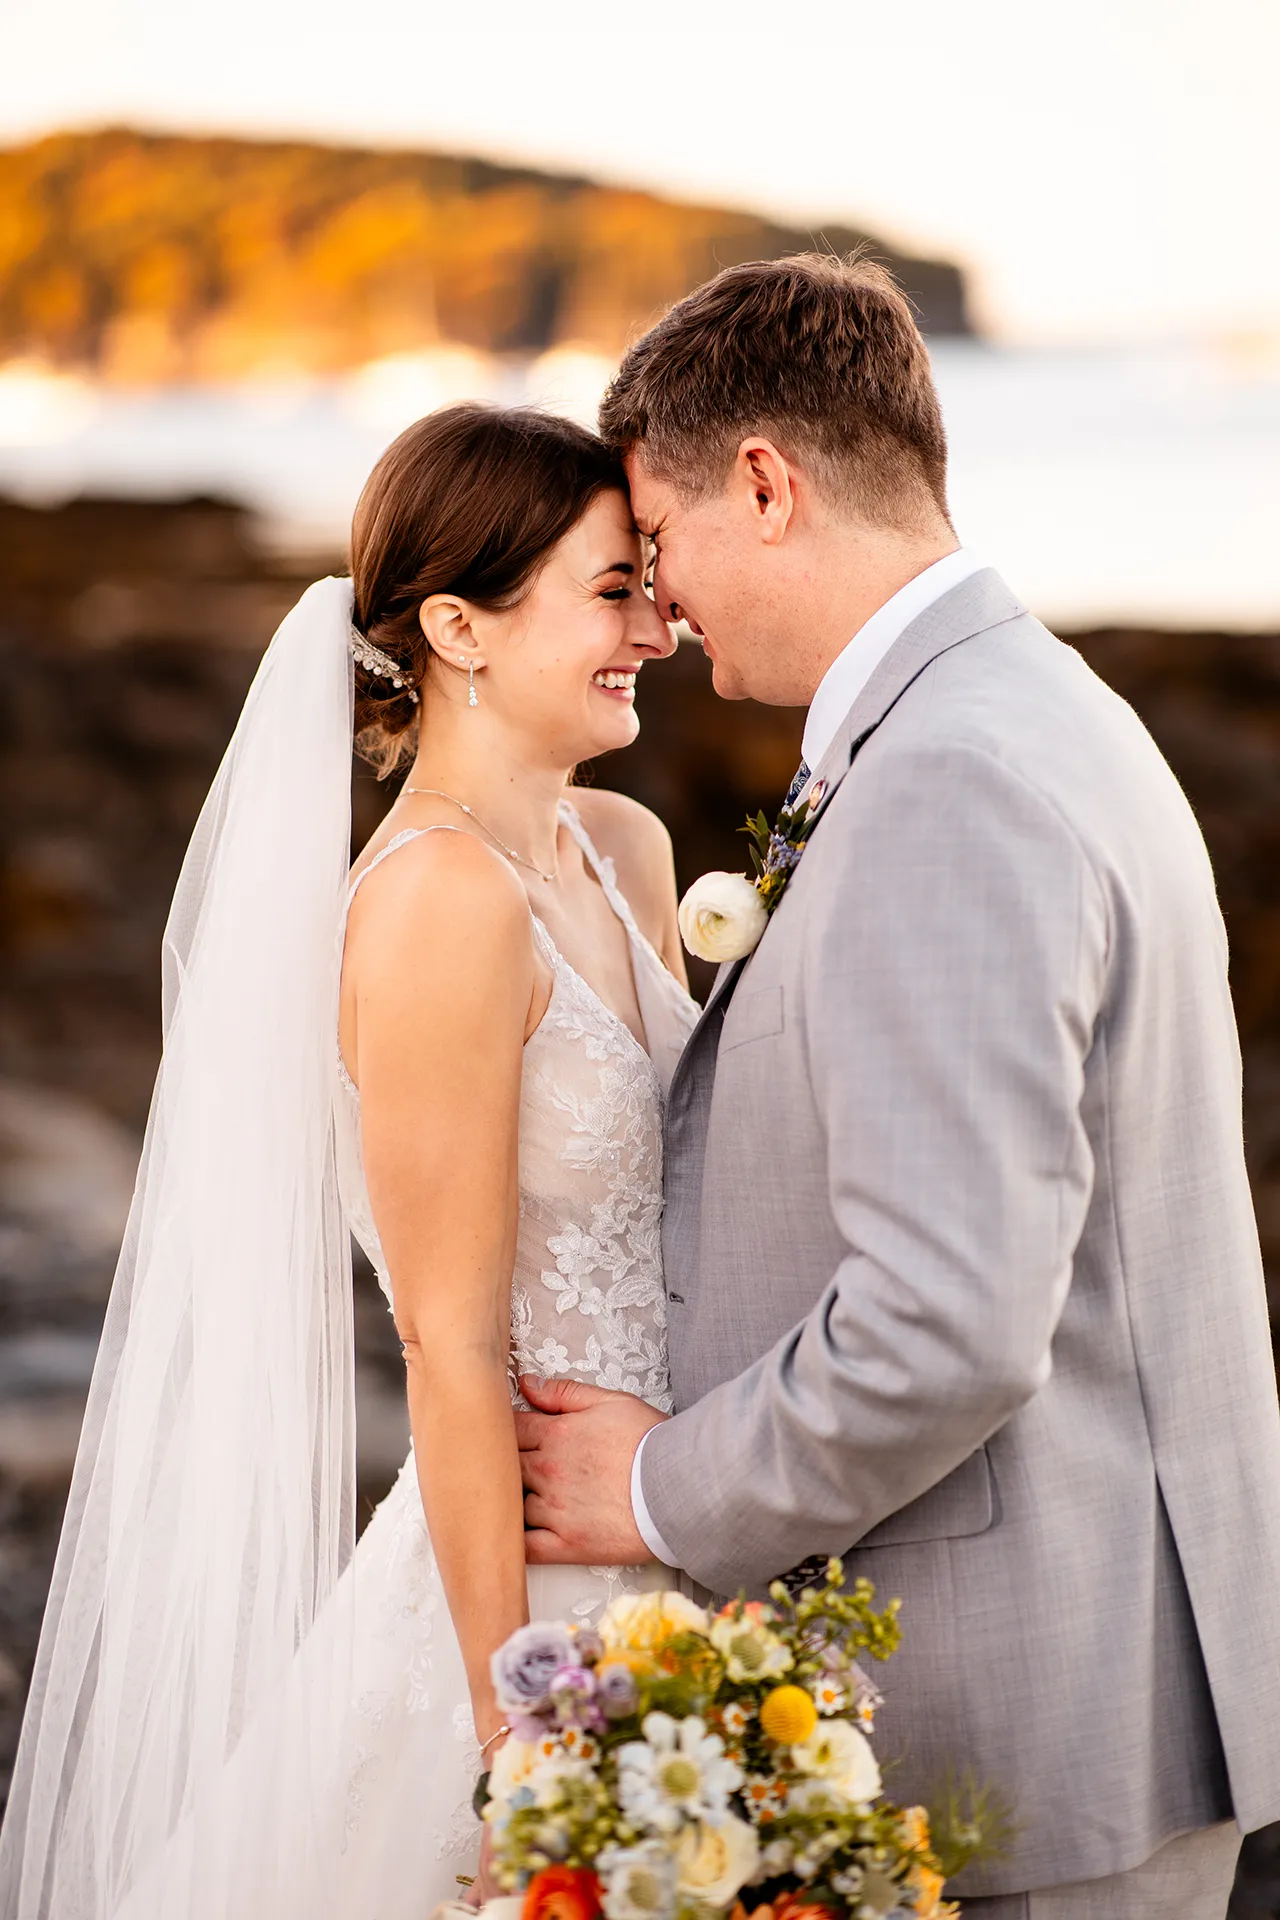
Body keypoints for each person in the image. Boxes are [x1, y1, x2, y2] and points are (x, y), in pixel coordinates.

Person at [515, 255, 1280, 1918]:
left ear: (767, 485)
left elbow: (948, 1319)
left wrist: (655, 1487)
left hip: (1036, 1726)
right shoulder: (1022, 707)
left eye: (662, 544)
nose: (660, 605)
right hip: (1086, 1677)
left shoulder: (949, 780)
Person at [0, 404, 695, 1919]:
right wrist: (516, 1725)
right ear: (459, 625)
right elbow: (448, 1350)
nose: (659, 622)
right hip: (533, 1580)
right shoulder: (437, 903)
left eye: (651, 577)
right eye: (610, 589)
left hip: (689, 1521)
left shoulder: (627, 851)